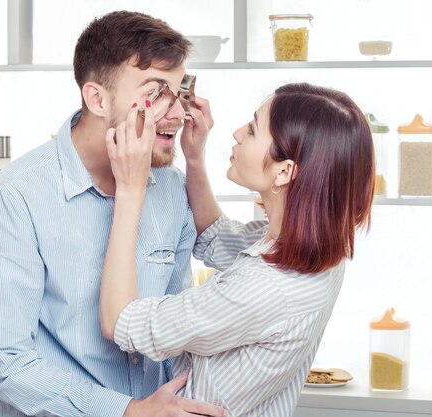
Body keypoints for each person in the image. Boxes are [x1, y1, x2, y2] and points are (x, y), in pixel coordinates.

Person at [0, 10, 226, 417]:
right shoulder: (12, 198)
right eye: (157, 92)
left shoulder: (172, 189)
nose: (177, 114)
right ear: (97, 98)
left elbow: (173, 330)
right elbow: (6, 364)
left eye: (181, 93)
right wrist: (126, 411)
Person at [99, 83, 374, 417]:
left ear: (284, 171)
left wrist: (130, 187)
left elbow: (120, 322)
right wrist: (195, 158)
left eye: (254, 130)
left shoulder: (263, 287)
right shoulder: (315, 251)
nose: (237, 133)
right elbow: (215, 236)